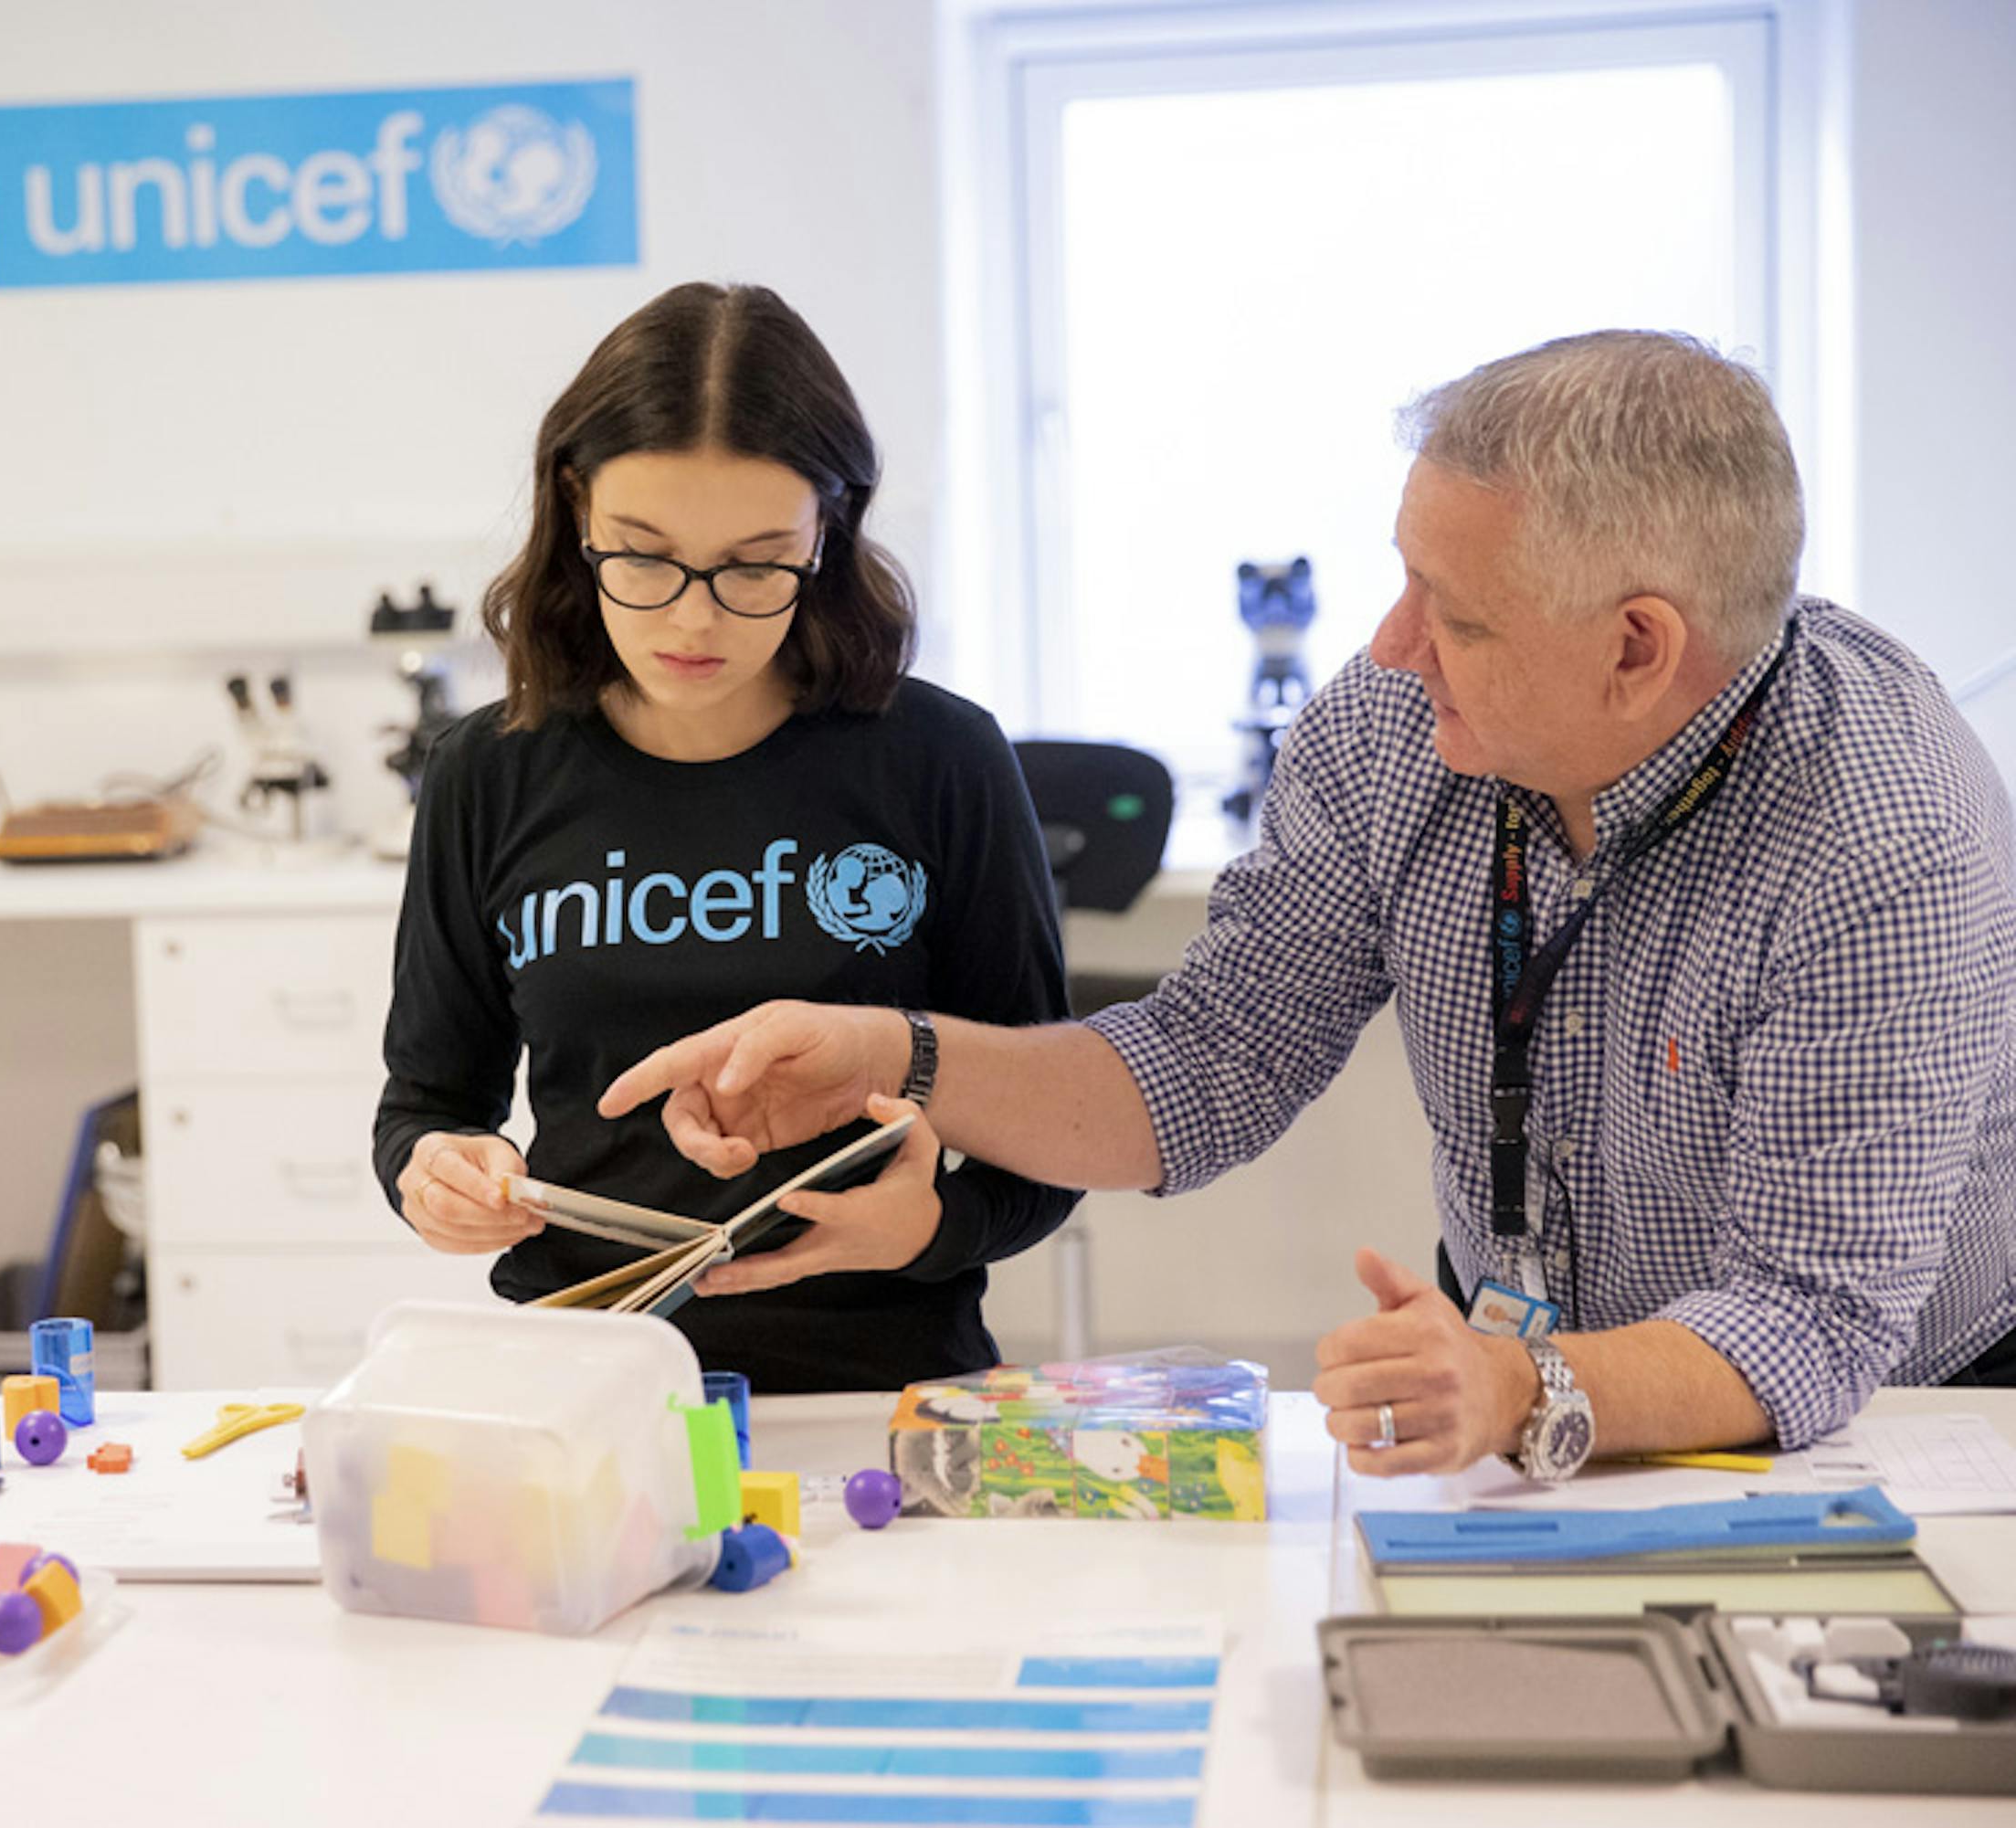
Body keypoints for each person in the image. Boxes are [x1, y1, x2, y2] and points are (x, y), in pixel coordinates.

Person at [602, 330, 2016, 1474]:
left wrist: (1524, 1380)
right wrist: (902, 1054)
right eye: (1407, 580)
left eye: (1457, 615)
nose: (1394, 648)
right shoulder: (1401, 728)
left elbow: (1812, 1318)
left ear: (1639, 649)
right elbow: (1214, 1063)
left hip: (1892, 1423)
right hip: (1522, 1371)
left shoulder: (1883, 837)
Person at [372, 281, 1081, 1392]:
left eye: (755, 565)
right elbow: (426, 1104)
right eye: (643, 557)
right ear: (577, 513)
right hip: (582, 1386)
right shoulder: (487, 772)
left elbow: (1050, 1135)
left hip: (880, 1393)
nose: (693, 619)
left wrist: (930, 1224)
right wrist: (438, 1177)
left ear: (828, 533)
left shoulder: (940, 761)